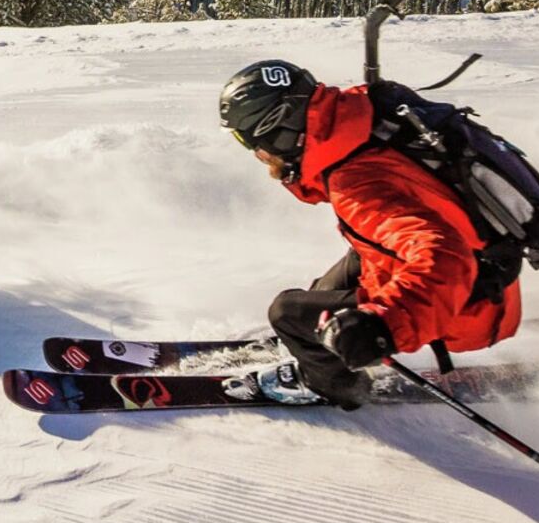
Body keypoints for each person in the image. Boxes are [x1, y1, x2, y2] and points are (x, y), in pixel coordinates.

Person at [216, 59, 522, 407]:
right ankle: (318, 343)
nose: (257, 155)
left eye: (248, 141)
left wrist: (383, 327)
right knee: (324, 290)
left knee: (286, 312)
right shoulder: (363, 120)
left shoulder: (358, 183)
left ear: (279, 129)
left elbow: (445, 256)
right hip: (482, 272)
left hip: (462, 306)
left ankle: (331, 384)